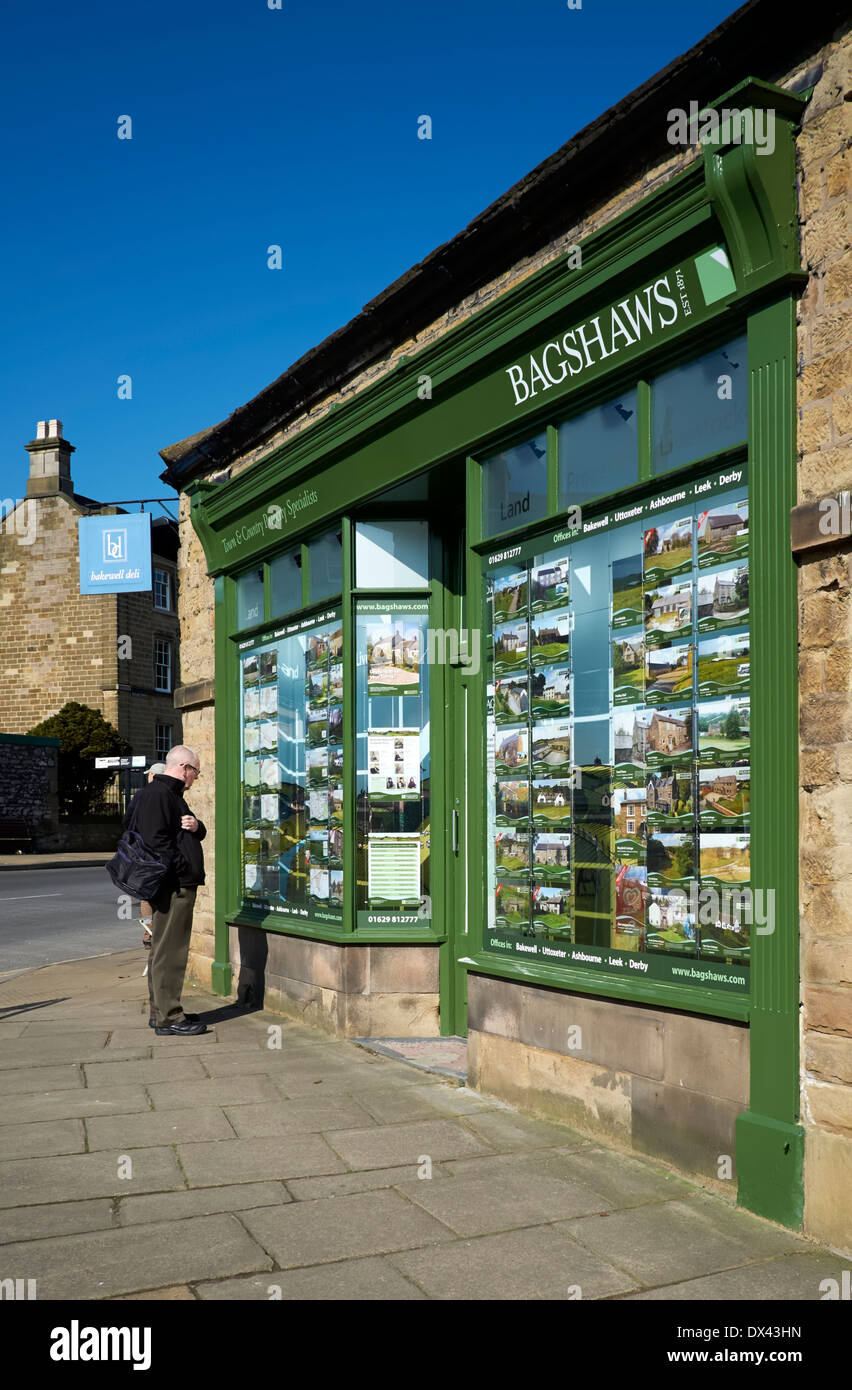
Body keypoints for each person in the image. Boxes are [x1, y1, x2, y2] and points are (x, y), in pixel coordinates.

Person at [123, 746, 207, 1035]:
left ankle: (161, 1012)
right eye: (196, 771)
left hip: (173, 882)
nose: (196, 778)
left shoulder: (165, 795)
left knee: (161, 949)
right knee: (171, 951)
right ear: (184, 767)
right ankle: (170, 1017)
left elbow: (184, 832)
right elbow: (155, 842)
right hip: (174, 885)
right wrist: (179, 868)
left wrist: (196, 827)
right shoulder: (159, 795)